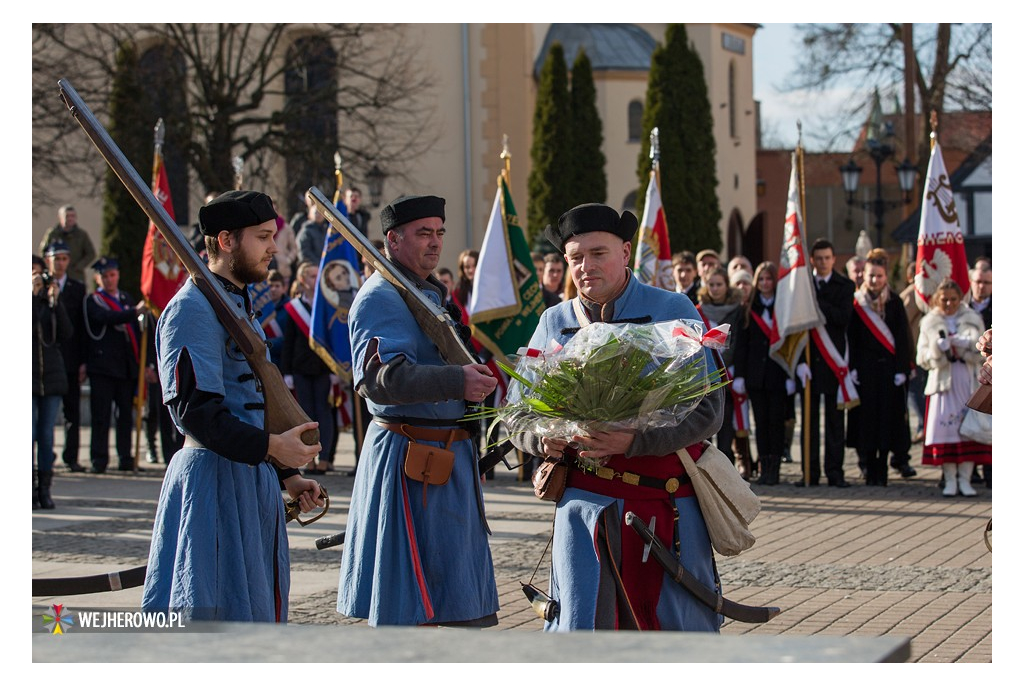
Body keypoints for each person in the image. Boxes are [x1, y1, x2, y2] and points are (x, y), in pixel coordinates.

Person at [508, 203, 725, 632]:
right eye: (575, 258)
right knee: (586, 634)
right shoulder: (553, 320)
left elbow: (709, 410)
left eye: (598, 253)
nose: (585, 267)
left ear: (625, 253)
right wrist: (541, 439)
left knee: (671, 636)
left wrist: (634, 441)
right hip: (582, 511)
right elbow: (517, 411)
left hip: (662, 502)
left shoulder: (672, 308)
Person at [141, 190, 323, 622]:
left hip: (250, 477)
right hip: (211, 482)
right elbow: (194, 412)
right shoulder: (191, 309)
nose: (274, 248)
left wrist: (288, 477)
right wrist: (273, 449)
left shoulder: (236, 304)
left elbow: (250, 403)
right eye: (262, 237)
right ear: (225, 240)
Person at [337, 194, 500, 627]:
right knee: (411, 610)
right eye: (423, 233)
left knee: (453, 602)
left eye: (439, 232)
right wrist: (456, 381)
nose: (435, 242)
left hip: (445, 456)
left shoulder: (426, 293)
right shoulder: (380, 297)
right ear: (392, 240)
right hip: (409, 460)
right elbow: (379, 380)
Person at [916, 279, 989, 497]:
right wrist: (937, 350)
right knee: (946, 431)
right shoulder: (930, 321)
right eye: (944, 299)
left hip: (967, 380)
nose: (949, 304)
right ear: (938, 299)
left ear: (960, 299)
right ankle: (949, 480)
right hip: (943, 383)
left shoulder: (972, 318)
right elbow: (921, 357)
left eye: (953, 299)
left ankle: (966, 480)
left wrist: (969, 345)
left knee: (967, 430)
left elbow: (986, 352)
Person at [847, 249, 914, 485]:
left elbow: (903, 337)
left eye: (879, 276)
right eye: (871, 276)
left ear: (885, 277)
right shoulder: (857, 303)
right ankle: (867, 466)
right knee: (866, 419)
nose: (875, 280)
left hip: (887, 371)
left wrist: (901, 369)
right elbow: (851, 339)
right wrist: (852, 367)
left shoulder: (894, 302)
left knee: (887, 419)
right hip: (864, 371)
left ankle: (883, 467)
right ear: (863, 276)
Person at [797, 239, 855, 488]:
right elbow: (796, 327)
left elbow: (843, 319)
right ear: (811, 259)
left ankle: (835, 472)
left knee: (834, 422)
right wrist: (799, 362)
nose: (822, 263)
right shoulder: (802, 286)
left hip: (834, 362)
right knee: (808, 422)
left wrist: (817, 302)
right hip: (810, 361)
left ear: (834, 259)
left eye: (827, 258)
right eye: (818, 258)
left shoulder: (845, 285)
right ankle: (809, 472)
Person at [82, 257, 145, 473]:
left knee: (125, 415)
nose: (109, 280)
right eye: (105, 276)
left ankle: (125, 458)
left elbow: (136, 332)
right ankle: (99, 460)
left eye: (112, 274)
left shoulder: (126, 298)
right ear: (97, 278)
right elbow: (106, 318)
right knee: (101, 416)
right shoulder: (94, 300)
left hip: (126, 367)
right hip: (103, 368)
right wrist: (133, 313)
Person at [733, 261, 794, 486]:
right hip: (755, 375)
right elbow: (742, 345)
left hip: (778, 375)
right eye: (761, 279)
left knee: (776, 422)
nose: (765, 283)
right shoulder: (749, 308)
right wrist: (739, 375)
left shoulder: (783, 308)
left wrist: (790, 374)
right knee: (760, 422)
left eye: (769, 279)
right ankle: (763, 468)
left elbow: (790, 344)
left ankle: (775, 468)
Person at [281, 261, 337, 474]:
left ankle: (324, 457)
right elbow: (289, 341)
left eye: (318, 275)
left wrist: (336, 371)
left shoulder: (327, 305)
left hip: (323, 368)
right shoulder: (294, 307)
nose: (315, 280)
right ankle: (308, 458)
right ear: (303, 280)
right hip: (300, 368)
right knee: (305, 415)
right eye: (311, 276)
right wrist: (286, 371)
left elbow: (334, 340)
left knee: (324, 413)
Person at [696, 265, 746, 475]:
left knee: (726, 429)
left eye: (719, 284)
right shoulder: (697, 310)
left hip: (729, 376)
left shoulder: (738, 310)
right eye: (711, 285)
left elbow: (739, 343)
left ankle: (727, 475)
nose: (715, 289)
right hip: (706, 378)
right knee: (704, 429)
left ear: (727, 286)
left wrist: (731, 366)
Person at [43, 241, 88, 473]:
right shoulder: (39, 287)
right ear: (47, 260)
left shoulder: (76, 288)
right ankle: (45, 457)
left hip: (69, 359)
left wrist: (82, 361)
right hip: (44, 360)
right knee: (46, 416)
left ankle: (71, 456)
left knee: (72, 412)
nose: (59, 263)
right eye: (55, 258)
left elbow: (80, 328)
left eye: (63, 258)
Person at [33, 255, 73, 510]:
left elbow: (66, 333)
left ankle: (44, 489)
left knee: (47, 436)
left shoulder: (50, 301)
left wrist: (55, 302)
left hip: (52, 378)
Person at [899, 263, 927, 445]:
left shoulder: (917, 293)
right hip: (914, 351)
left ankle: (923, 425)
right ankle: (922, 425)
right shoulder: (912, 293)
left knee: (917, 390)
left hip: (919, 350)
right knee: (915, 390)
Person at [38, 205, 97, 283]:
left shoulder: (81, 234)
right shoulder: (52, 234)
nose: (70, 219)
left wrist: (79, 266)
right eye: (67, 216)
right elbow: (43, 252)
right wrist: (50, 266)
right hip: (55, 275)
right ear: (60, 217)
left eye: (72, 216)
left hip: (75, 274)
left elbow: (91, 253)